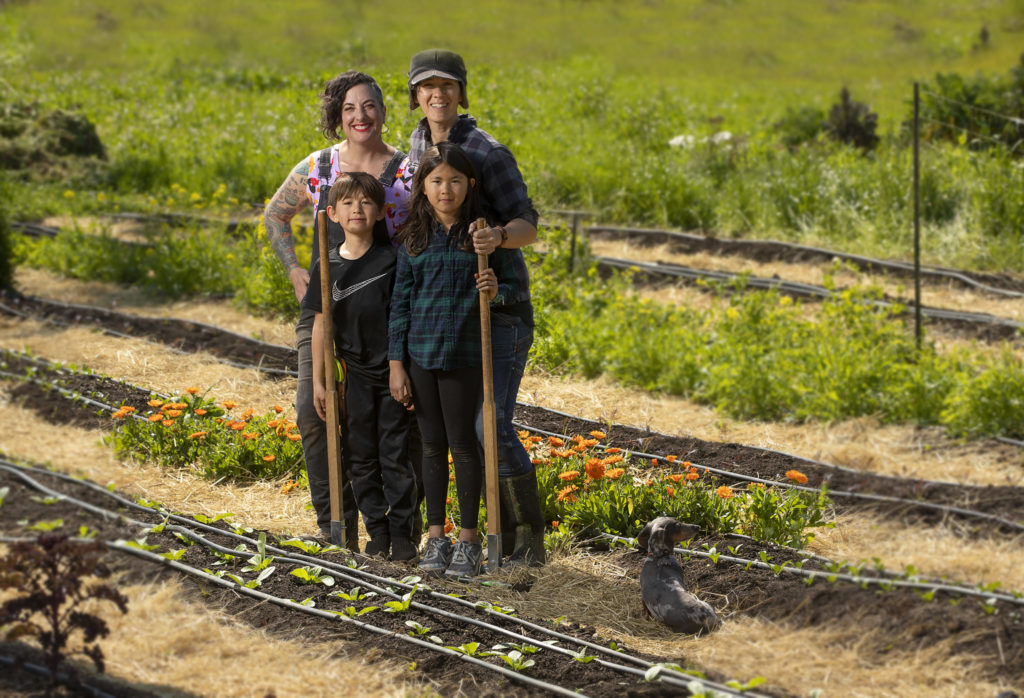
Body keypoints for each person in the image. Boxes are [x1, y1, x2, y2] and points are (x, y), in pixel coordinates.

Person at [406, 49, 545, 565]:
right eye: (427, 86)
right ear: (416, 96)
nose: (437, 94)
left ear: (462, 93)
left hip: (498, 308)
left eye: (447, 85)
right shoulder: (418, 143)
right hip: (448, 318)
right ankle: (483, 534)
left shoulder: (489, 153)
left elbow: (528, 224)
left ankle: (526, 540)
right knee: (456, 431)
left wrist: (496, 236)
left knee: (490, 427)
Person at [263, 71, 413, 547]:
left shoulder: (406, 172)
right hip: (326, 309)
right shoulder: (319, 168)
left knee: (390, 422)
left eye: (369, 106)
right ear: (337, 116)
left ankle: (394, 531)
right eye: (349, 108)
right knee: (314, 408)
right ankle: (336, 525)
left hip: (386, 313)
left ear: (383, 112)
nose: (360, 116)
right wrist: (293, 270)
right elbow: (274, 214)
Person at [388, 142, 520, 578]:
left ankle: (467, 540)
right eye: (437, 181)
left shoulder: (481, 237)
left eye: (455, 181)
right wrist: (396, 364)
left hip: (465, 354)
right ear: (422, 187)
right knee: (430, 445)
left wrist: (493, 288)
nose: (446, 189)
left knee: (463, 445)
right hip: (421, 356)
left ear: (471, 185)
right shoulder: (412, 240)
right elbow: (400, 306)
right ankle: (436, 537)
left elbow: (510, 291)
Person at [303, 173, 418, 562]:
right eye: (348, 203)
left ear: (381, 212)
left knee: (395, 454)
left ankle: (403, 533)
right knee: (361, 457)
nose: (357, 209)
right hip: (352, 378)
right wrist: (321, 381)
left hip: (390, 373)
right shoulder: (328, 263)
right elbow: (321, 326)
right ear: (333, 214)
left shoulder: (391, 260)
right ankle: (378, 532)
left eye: (366, 202)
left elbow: (402, 317)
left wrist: (399, 368)